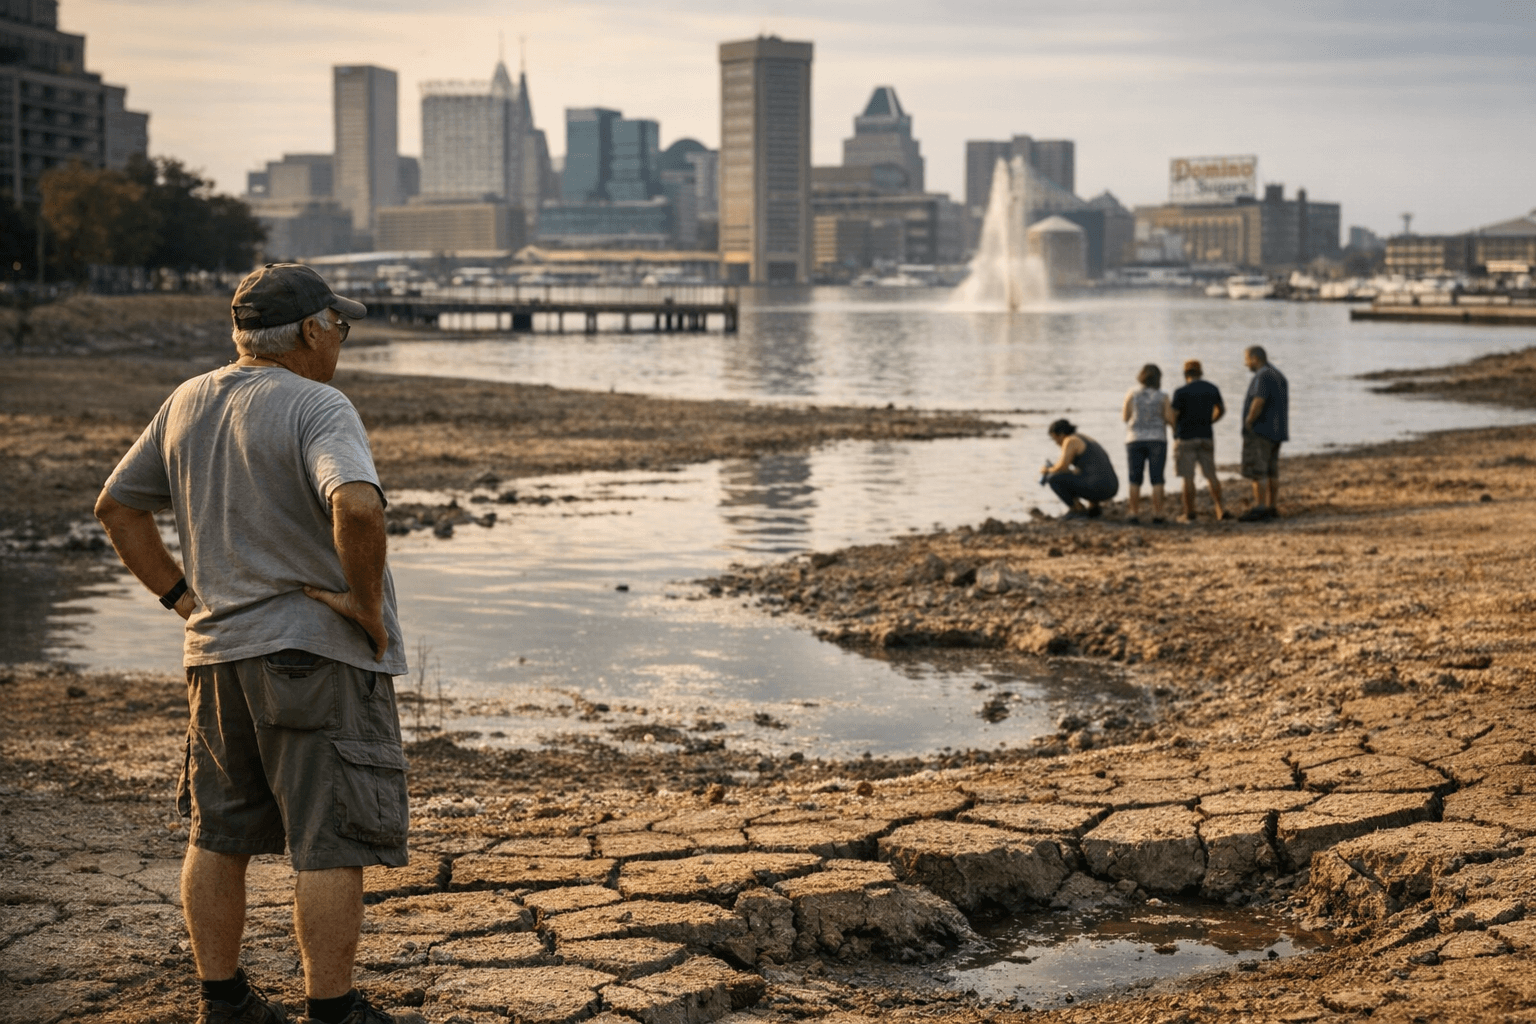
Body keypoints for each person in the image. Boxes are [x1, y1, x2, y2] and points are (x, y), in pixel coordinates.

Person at [95, 264, 414, 1024]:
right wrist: (365, 607)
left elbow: (117, 507)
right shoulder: (318, 404)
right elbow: (360, 508)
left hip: (216, 657)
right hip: (311, 653)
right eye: (340, 325)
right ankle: (333, 1013)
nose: (341, 338)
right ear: (310, 331)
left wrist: (183, 600)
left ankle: (225, 1000)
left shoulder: (187, 400)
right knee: (330, 837)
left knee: (220, 832)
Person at [1169, 359, 1228, 521]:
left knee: (1188, 478)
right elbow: (1221, 409)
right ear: (1201, 373)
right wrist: (1212, 420)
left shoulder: (1180, 392)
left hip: (1186, 438)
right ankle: (1220, 509)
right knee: (1211, 475)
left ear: (1185, 374)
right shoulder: (1212, 388)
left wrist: (1175, 432)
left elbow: (1173, 415)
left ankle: (1190, 513)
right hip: (1206, 436)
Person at [1239, 344, 1289, 521]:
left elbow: (1259, 401)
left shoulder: (1263, 376)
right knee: (1272, 471)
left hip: (1261, 431)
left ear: (1255, 358)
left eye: (1247, 360)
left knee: (1258, 471)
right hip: (1277, 431)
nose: (1246, 364)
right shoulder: (1278, 375)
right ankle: (1271, 506)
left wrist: (1249, 420)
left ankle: (1260, 507)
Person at [1121, 363, 1174, 523]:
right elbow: (1170, 418)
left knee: (1134, 478)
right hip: (1157, 439)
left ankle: (1133, 512)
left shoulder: (1132, 393)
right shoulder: (1163, 396)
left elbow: (1125, 417)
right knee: (1157, 478)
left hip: (1135, 439)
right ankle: (1158, 513)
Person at [1041, 418, 1119, 519]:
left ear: (1061, 434)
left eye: (1055, 438)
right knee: (1085, 473)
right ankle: (1094, 508)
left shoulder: (1070, 440)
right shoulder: (1084, 437)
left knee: (1052, 478)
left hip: (1099, 487)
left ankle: (1077, 510)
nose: (1056, 443)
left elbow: (1062, 467)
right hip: (1112, 486)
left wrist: (1047, 470)